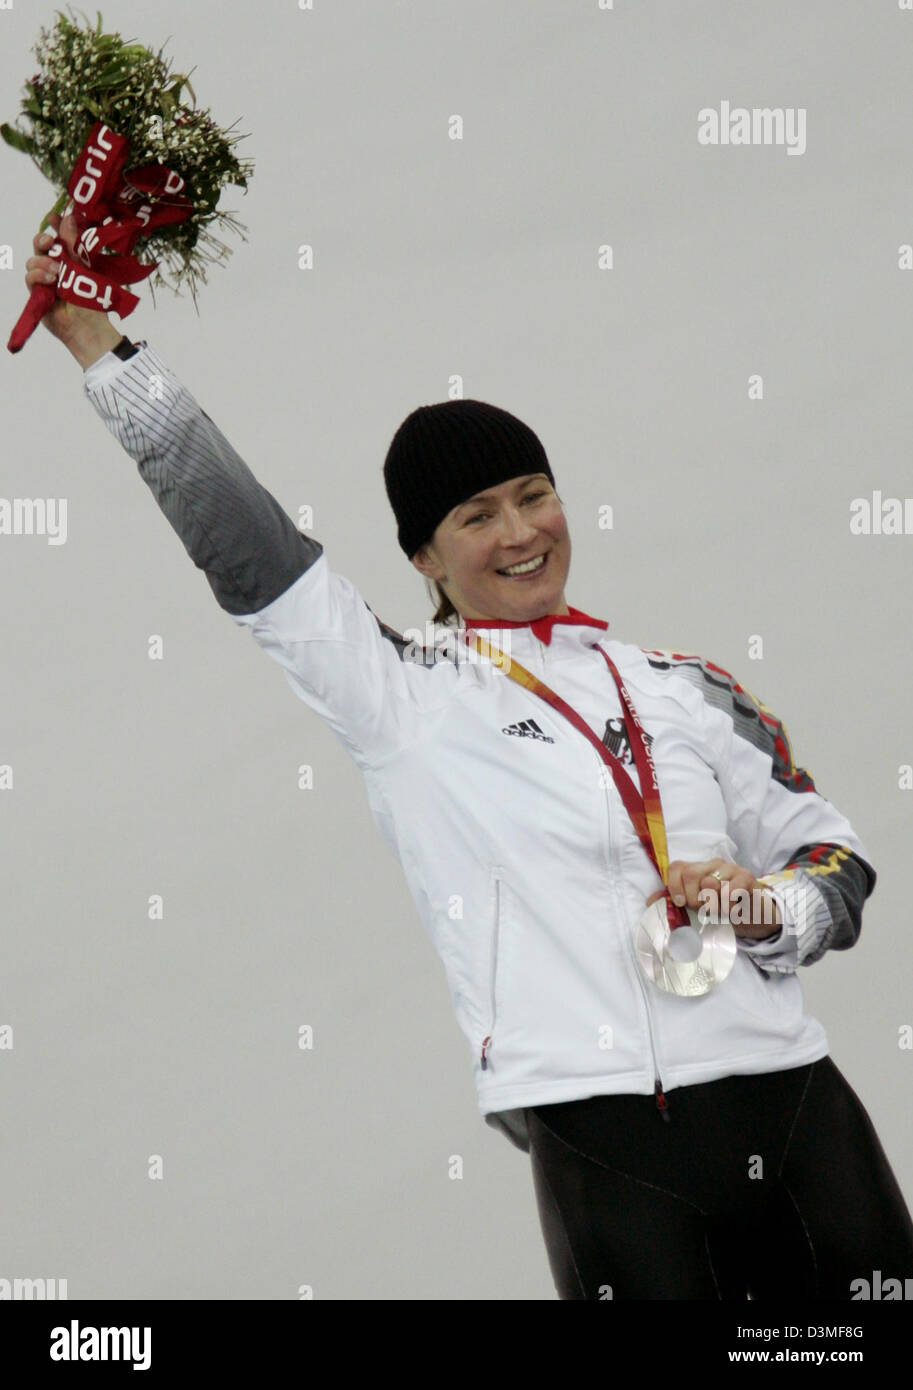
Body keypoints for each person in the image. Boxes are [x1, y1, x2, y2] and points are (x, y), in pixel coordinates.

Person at [24, 214, 913, 1301]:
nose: (520, 532)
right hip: (604, 1140)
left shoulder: (685, 684)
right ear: (424, 557)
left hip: (798, 1111)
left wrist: (770, 906)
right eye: (476, 514)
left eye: (534, 495)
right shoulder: (401, 693)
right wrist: (99, 345)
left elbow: (835, 856)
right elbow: (245, 543)